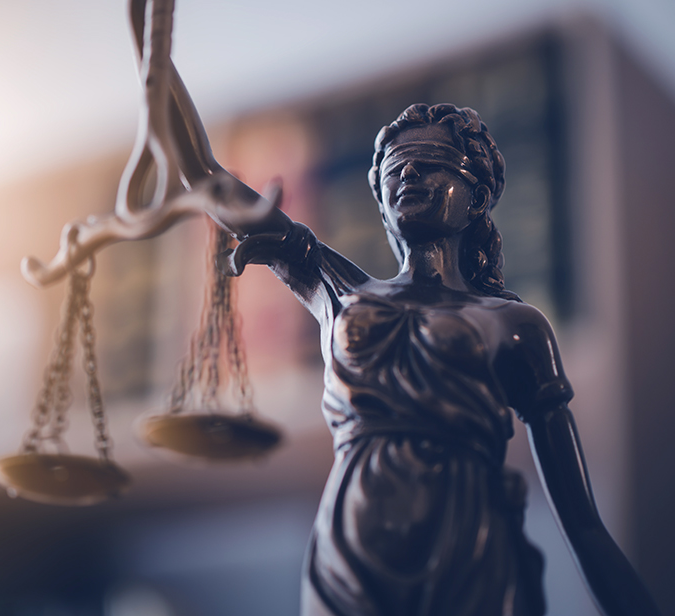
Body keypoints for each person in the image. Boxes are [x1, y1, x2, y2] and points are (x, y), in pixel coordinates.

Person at [171, 95, 660, 616]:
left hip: (463, 545)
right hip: (348, 547)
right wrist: (157, 73)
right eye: (396, 169)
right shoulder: (341, 293)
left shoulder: (514, 326)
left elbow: (581, 522)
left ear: (476, 198)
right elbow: (206, 178)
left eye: (429, 166)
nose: (408, 177)